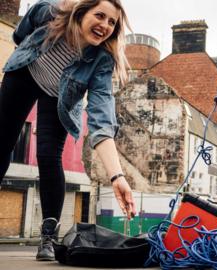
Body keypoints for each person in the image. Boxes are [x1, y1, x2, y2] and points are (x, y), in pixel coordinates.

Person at [0, 0, 137, 261]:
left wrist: (117, 176)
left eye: (112, 23)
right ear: (82, 11)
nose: (105, 25)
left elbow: (101, 118)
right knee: (2, 143)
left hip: (59, 98)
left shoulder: (101, 61)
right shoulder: (49, 12)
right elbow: (20, 33)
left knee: (49, 156)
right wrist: (24, 47)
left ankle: (48, 237)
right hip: (26, 73)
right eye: (100, 15)